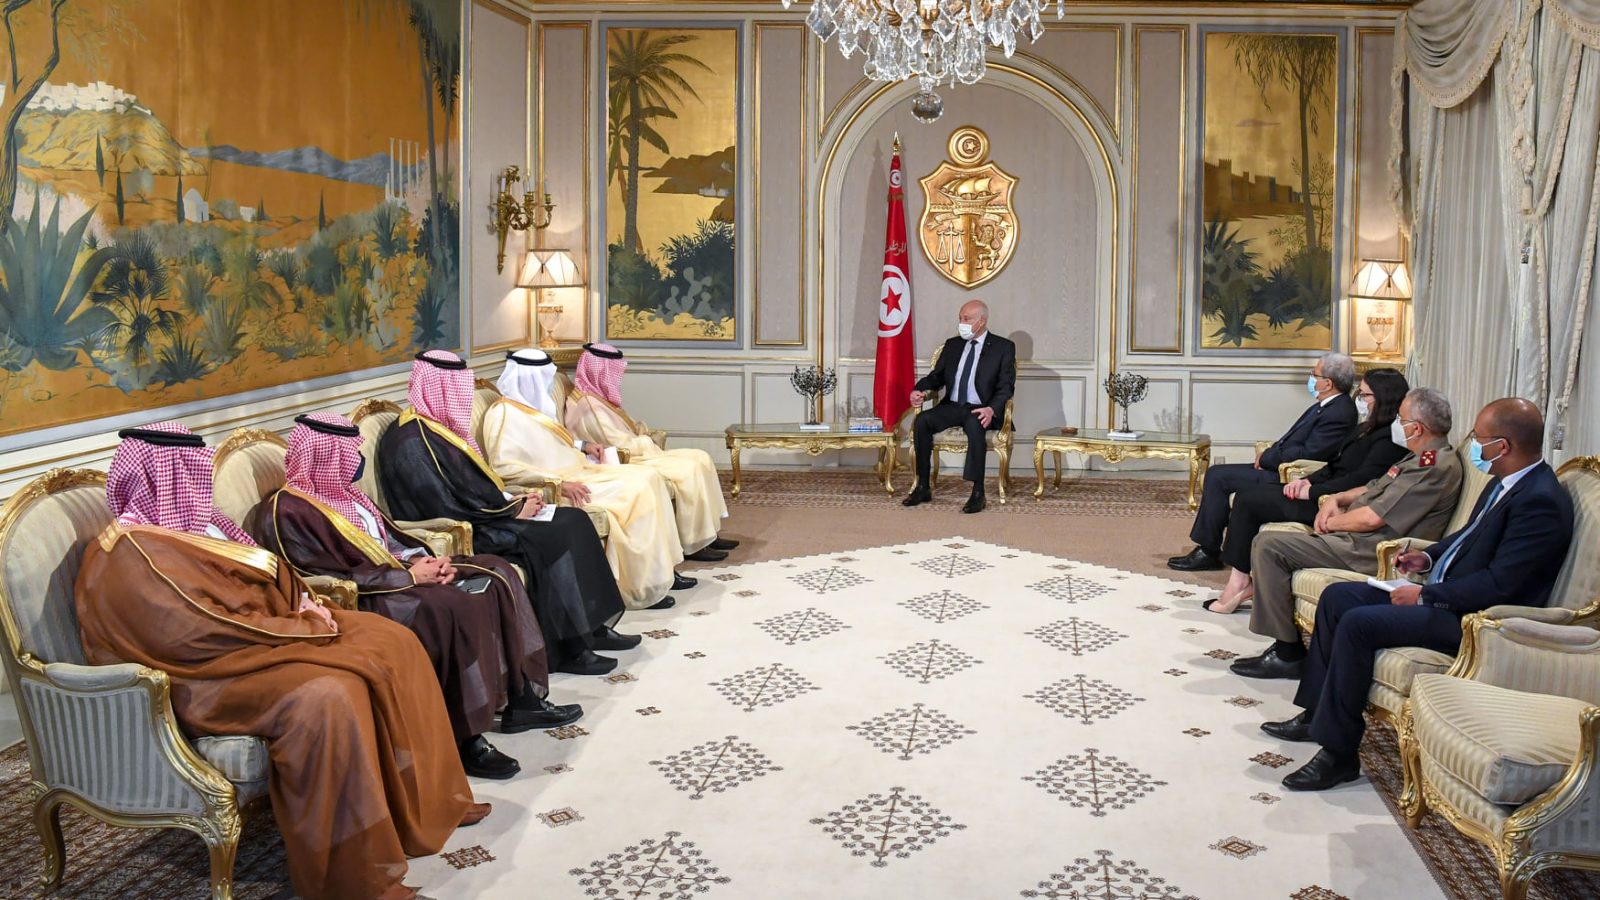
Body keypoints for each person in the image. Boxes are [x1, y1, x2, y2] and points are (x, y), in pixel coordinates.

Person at [75, 424, 486, 900]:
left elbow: (268, 570)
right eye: (183, 473)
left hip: (263, 639)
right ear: (156, 477)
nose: (196, 483)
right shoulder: (132, 551)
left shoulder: (197, 526)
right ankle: (350, 873)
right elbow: (196, 630)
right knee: (328, 696)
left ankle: (419, 807)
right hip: (205, 675)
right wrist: (303, 624)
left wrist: (303, 603)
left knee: (395, 642)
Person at [1264, 398, 1575, 791]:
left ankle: (1338, 755)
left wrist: (1427, 597)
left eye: (1479, 439)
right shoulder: (1505, 482)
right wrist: (1427, 557)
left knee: (1359, 623)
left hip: (1478, 621)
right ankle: (1316, 716)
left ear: (1503, 446)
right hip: (1448, 595)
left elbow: (1502, 585)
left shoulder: (1540, 501)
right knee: (1338, 598)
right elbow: (1467, 537)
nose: (1474, 446)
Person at [254, 413, 583, 780]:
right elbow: (325, 576)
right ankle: (464, 738)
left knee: (495, 572)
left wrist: (423, 561)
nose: (356, 459)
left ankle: (523, 699)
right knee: (452, 606)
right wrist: (408, 576)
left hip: (398, 574)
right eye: (348, 452)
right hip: (370, 595)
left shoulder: (347, 495)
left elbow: (389, 541)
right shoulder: (288, 510)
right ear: (325, 454)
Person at [378, 350, 635, 676]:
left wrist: (514, 498)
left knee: (574, 520)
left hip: (489, 513)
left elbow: (473, 485)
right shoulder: (412, 440)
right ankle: (569, 648)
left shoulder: (437, 430)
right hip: (470, 528)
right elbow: (442, 506)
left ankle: (593, 626)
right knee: (551, 538)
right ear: (439, 387)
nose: (463, 399)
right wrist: (512, 510)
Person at [1229, 388, 1463, 680]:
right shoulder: (1418, 458)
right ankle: (1285, 647)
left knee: (1269, 545)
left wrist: (1331, 523)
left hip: (1372, 550)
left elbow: (1372, 518)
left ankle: (1287, 653)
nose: (1396, 424)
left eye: (1400, 419)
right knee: (1269, 540)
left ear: (1416, 428)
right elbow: (1374, 487)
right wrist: (1336, 498)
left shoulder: (1433, 467)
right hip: (1358, 539)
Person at [482, 348, 690, 610]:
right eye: (543, 378)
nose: (547, 386)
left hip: (581, 469)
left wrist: (582, 445)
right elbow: (503, 466)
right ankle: (639, 586)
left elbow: (554, 440)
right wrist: (559, 485)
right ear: (528, 379)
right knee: (636, 492)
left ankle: (663, 572)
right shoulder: (502, 415)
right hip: (564, 484)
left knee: (651, 478)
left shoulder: (530, 407)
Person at [1205, 368, 1411, 613]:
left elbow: (1361, 481)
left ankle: (1239, 583)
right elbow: (1334, 465)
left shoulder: (1389, 439)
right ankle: (1239, 578)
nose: (1360, 400)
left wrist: (1312, 492)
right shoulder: (1366, 428)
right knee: (1249, 494)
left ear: (1384, 397)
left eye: (1365, 395)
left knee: (1249, 501)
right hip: (1319, 491)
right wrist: (1306, 481)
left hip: (1332, 504)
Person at [1168, 353, 1360, 571]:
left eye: (1314, 374)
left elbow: (1311, 452)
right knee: (1217, 473)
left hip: (1288, 475)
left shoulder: (1340, 412)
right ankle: (1208, 548)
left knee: (1218, 477)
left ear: (1328, 383)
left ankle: (1208, 551)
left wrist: (1269, 457)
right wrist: (1269, 452)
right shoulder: (1325, 405)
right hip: (1276, 465)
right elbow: (1291, 441)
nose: (1311, 378)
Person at [564, 342, 737, 562]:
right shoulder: (588, 405)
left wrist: (642, 433)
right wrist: (646, 439)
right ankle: (694, 543)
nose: (617, 378)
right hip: (624, 459)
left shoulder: (597, 397)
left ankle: (709, 534)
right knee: (688, 469)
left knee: (700, 457)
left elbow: (627, 428)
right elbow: (619, 444)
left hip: (641, 451)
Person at [902, 299, 1017, 514]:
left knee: (975, 423)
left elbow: (1006, 387)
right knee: (922, 421)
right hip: (953, 405)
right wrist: (919, 390)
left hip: (981, 407)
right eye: (960, 318)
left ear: (981, 321)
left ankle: (978, 492)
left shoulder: (1003, 347)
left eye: (967, 319)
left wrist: (991, 409)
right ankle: (922, 486)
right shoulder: (953, 345)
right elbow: (936, 377)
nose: (961, 323)